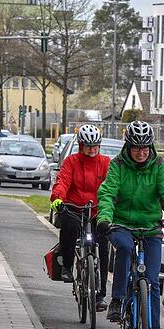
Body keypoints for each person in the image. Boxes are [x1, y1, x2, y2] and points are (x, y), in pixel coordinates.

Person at [96, 120, 164, 329]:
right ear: (128, 147)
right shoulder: (117, 165)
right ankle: (117, 300)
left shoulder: (158, 165)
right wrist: (104, 218)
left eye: (145, 147)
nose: (141, 152)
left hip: (150, 227)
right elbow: (107, 193)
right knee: (125, 249)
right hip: (122, 224)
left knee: (153, 281)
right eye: (136, 148)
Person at [49, 125, 111, 311]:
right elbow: (63, 182)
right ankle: (67, 266)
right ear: (81, 145)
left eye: (95, 146)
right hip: (75, 207)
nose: (92, 150)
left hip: (97, 211)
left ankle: (100, 294)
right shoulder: (71, 162)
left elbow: (113, 186)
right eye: (88, 146)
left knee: (104, 243)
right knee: (69, 227)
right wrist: (58, 198)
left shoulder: (106, 163)